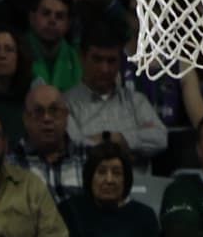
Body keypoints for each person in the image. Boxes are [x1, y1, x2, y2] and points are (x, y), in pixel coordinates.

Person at [61, 141, 166, 237]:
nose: (109, 180)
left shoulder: (144, 215)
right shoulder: (71, 210)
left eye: (116, 173)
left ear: (126, 180)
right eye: (102, 172)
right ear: (90, 177)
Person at [66, 24, 170, 165]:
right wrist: (123, 149)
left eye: (111, 61)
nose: (105, 69)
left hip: (140, 185)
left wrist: (121, 139)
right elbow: (74, 145)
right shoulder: (66, 103)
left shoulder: (136, 101)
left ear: (120, 61)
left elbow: (160, 138)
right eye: (97, 59)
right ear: (82, 58)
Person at [12, 84, 88, 205]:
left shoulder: (89, 158)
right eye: (38, 112)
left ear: (66, 116)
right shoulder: (10, 166)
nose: (47, 118)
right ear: (26, 119)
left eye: (54, 110)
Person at [26, 0, 83, 92]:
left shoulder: (78, 58)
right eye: (46, 13)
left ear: (68, 24)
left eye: (59, 16)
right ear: (32, 18)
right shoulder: (15, 52)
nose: (52, 20)